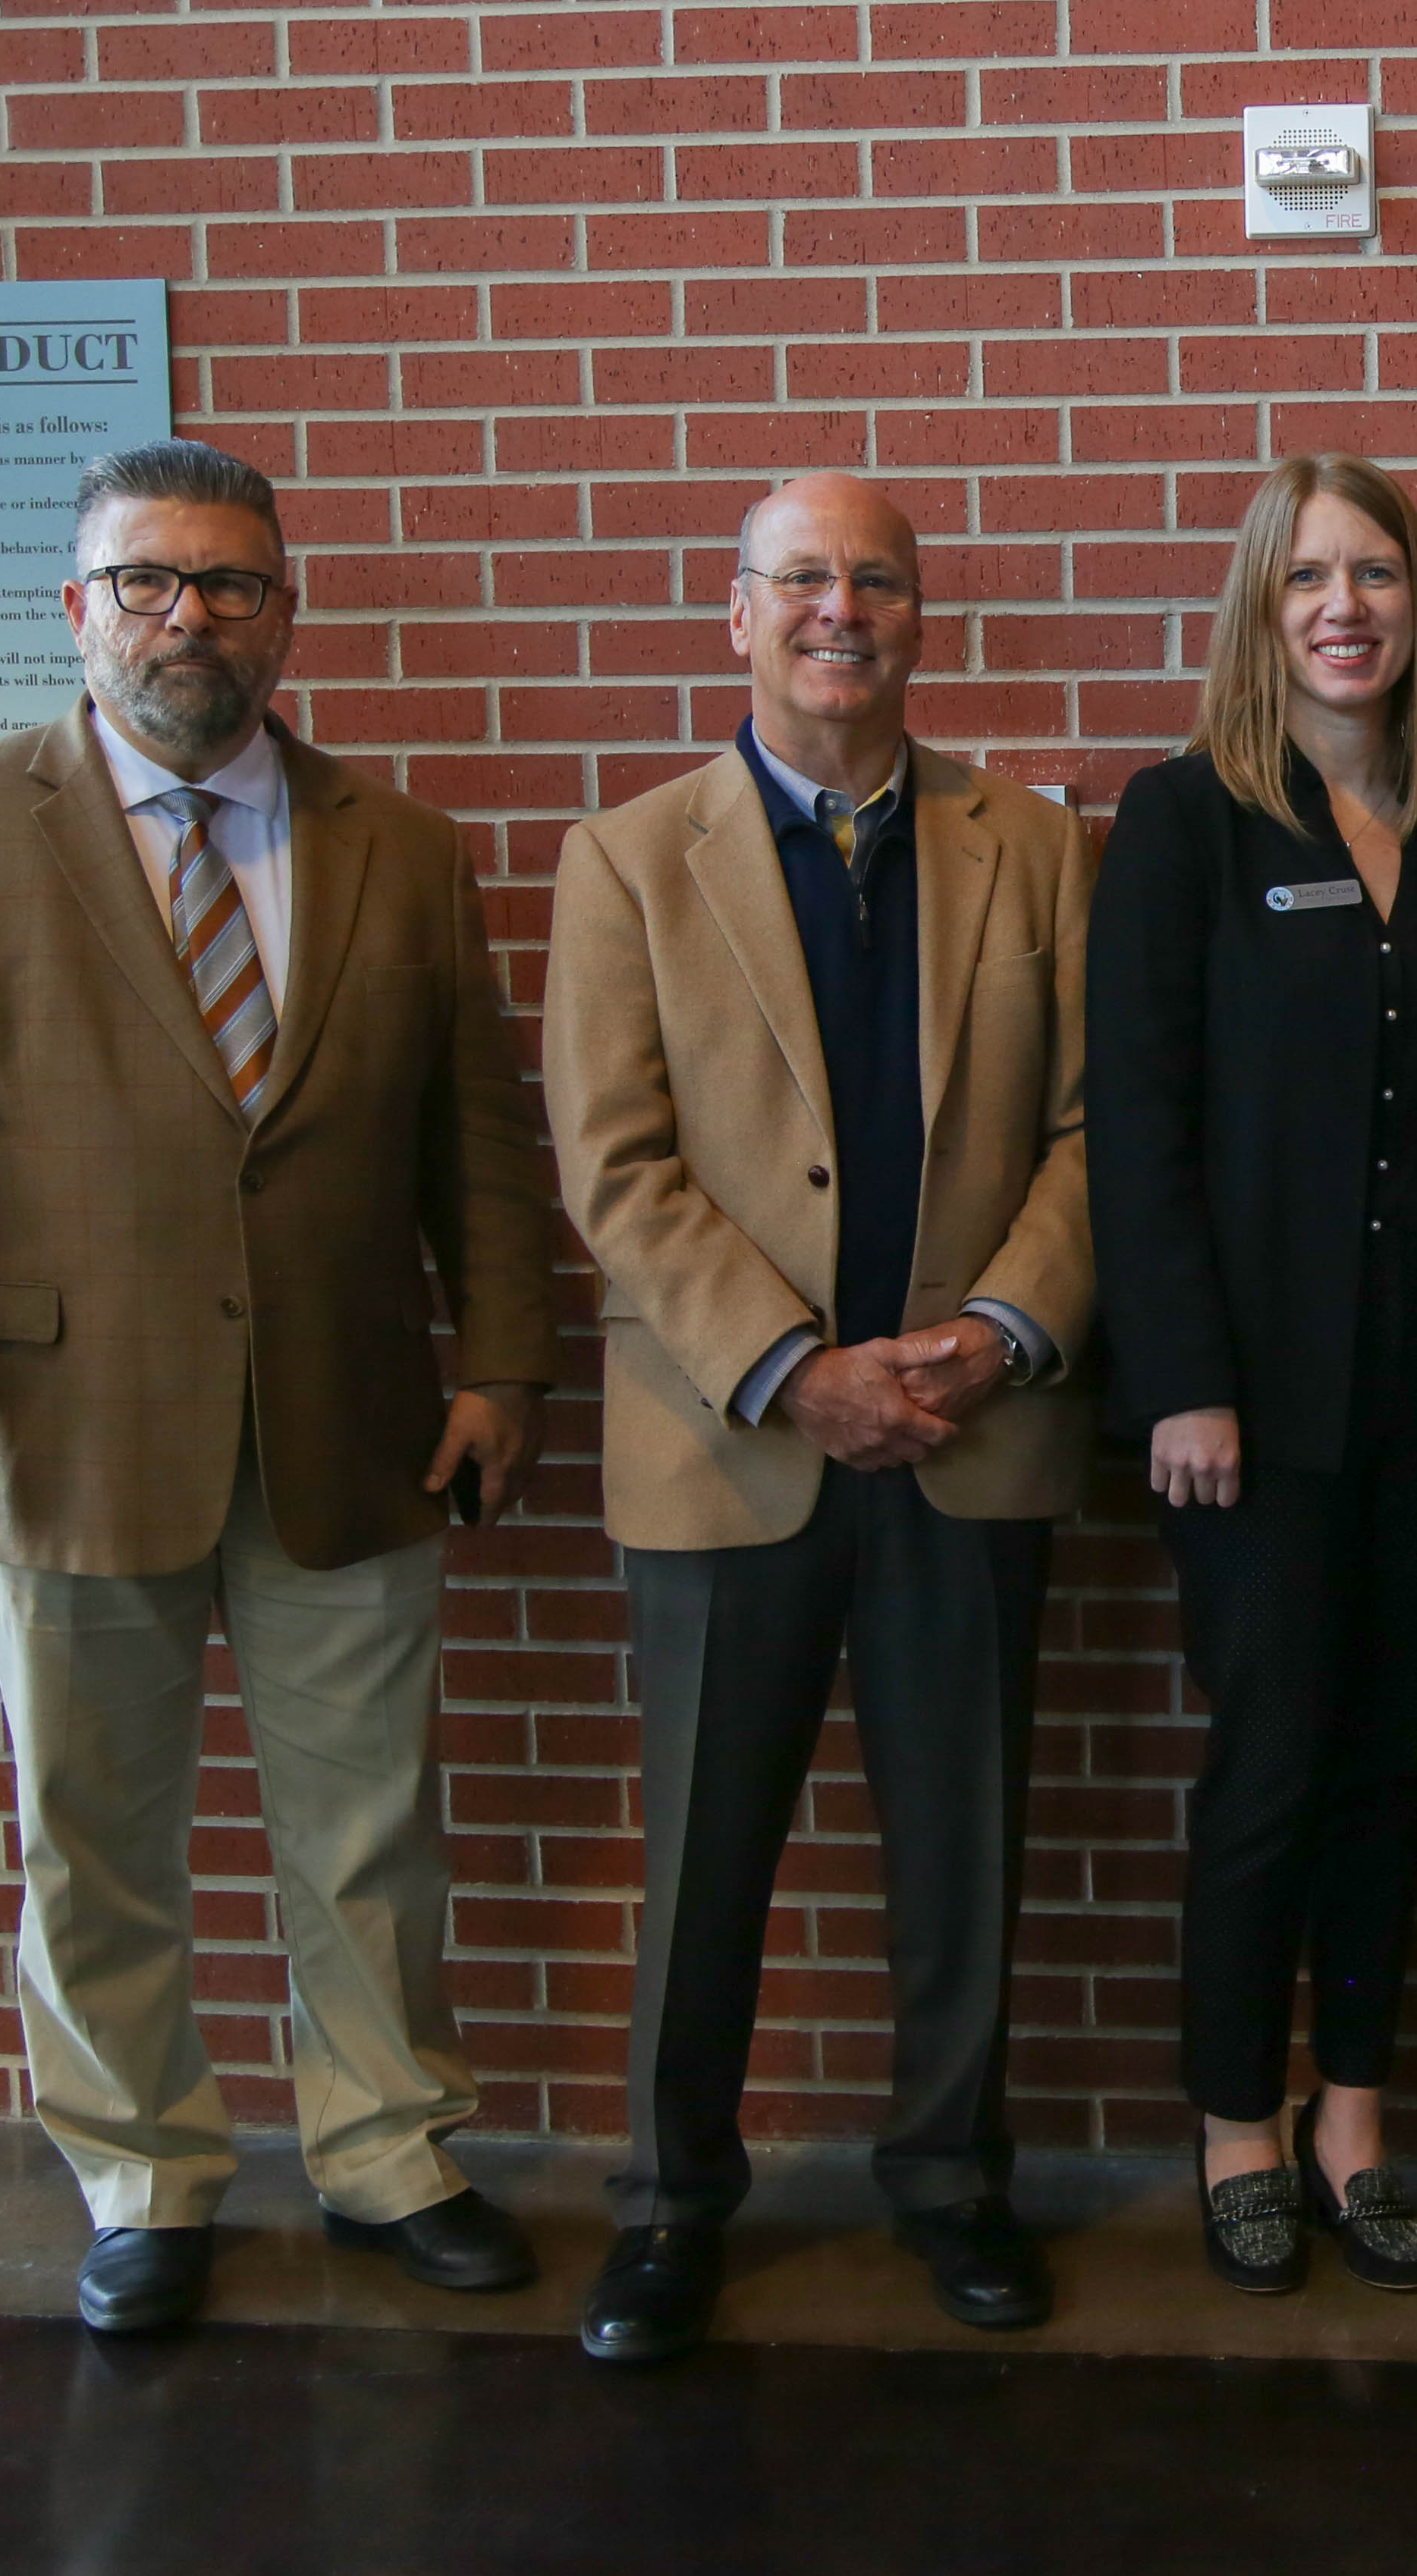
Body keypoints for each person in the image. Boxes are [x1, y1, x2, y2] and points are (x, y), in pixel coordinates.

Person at [0, 437, 557, 2336]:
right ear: (79, 609)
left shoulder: (397, 841)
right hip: (63, 1433)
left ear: (286, 618)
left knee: (370, 1826)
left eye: (229, 584)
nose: (188, 617)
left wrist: (503, 1363)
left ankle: (391, 2147)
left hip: (349, 1423)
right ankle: (142, 2171)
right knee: (93, 1827)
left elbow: (477, 1136)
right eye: (147, 581)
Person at [543, 472, 1097, 2364]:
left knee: (966, 1845)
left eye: (875, 579)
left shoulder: (1032, 842)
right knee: (704, 1852)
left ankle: (950, 2182)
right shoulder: (627, 858)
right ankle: (673, 2204)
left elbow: (1105, 1130)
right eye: (803, 579)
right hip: (732, 1441)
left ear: (922, 618)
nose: (838, 609)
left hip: (973, 1427)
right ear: (736, 613)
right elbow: (614, 1170)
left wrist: (1003, 1332)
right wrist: (800, 1367)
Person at [1086, 454, 1417, 2296]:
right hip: (1249, 1421)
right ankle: (1235, 2129)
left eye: (1375, 577)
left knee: (1385, 1769)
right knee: (1268, 1763)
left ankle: (1356, 2120)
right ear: (1261, 612)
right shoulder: (1186, 823)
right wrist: (1183, 1375)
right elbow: (1139, 1123)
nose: (1344, 609)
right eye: (1306, 582)